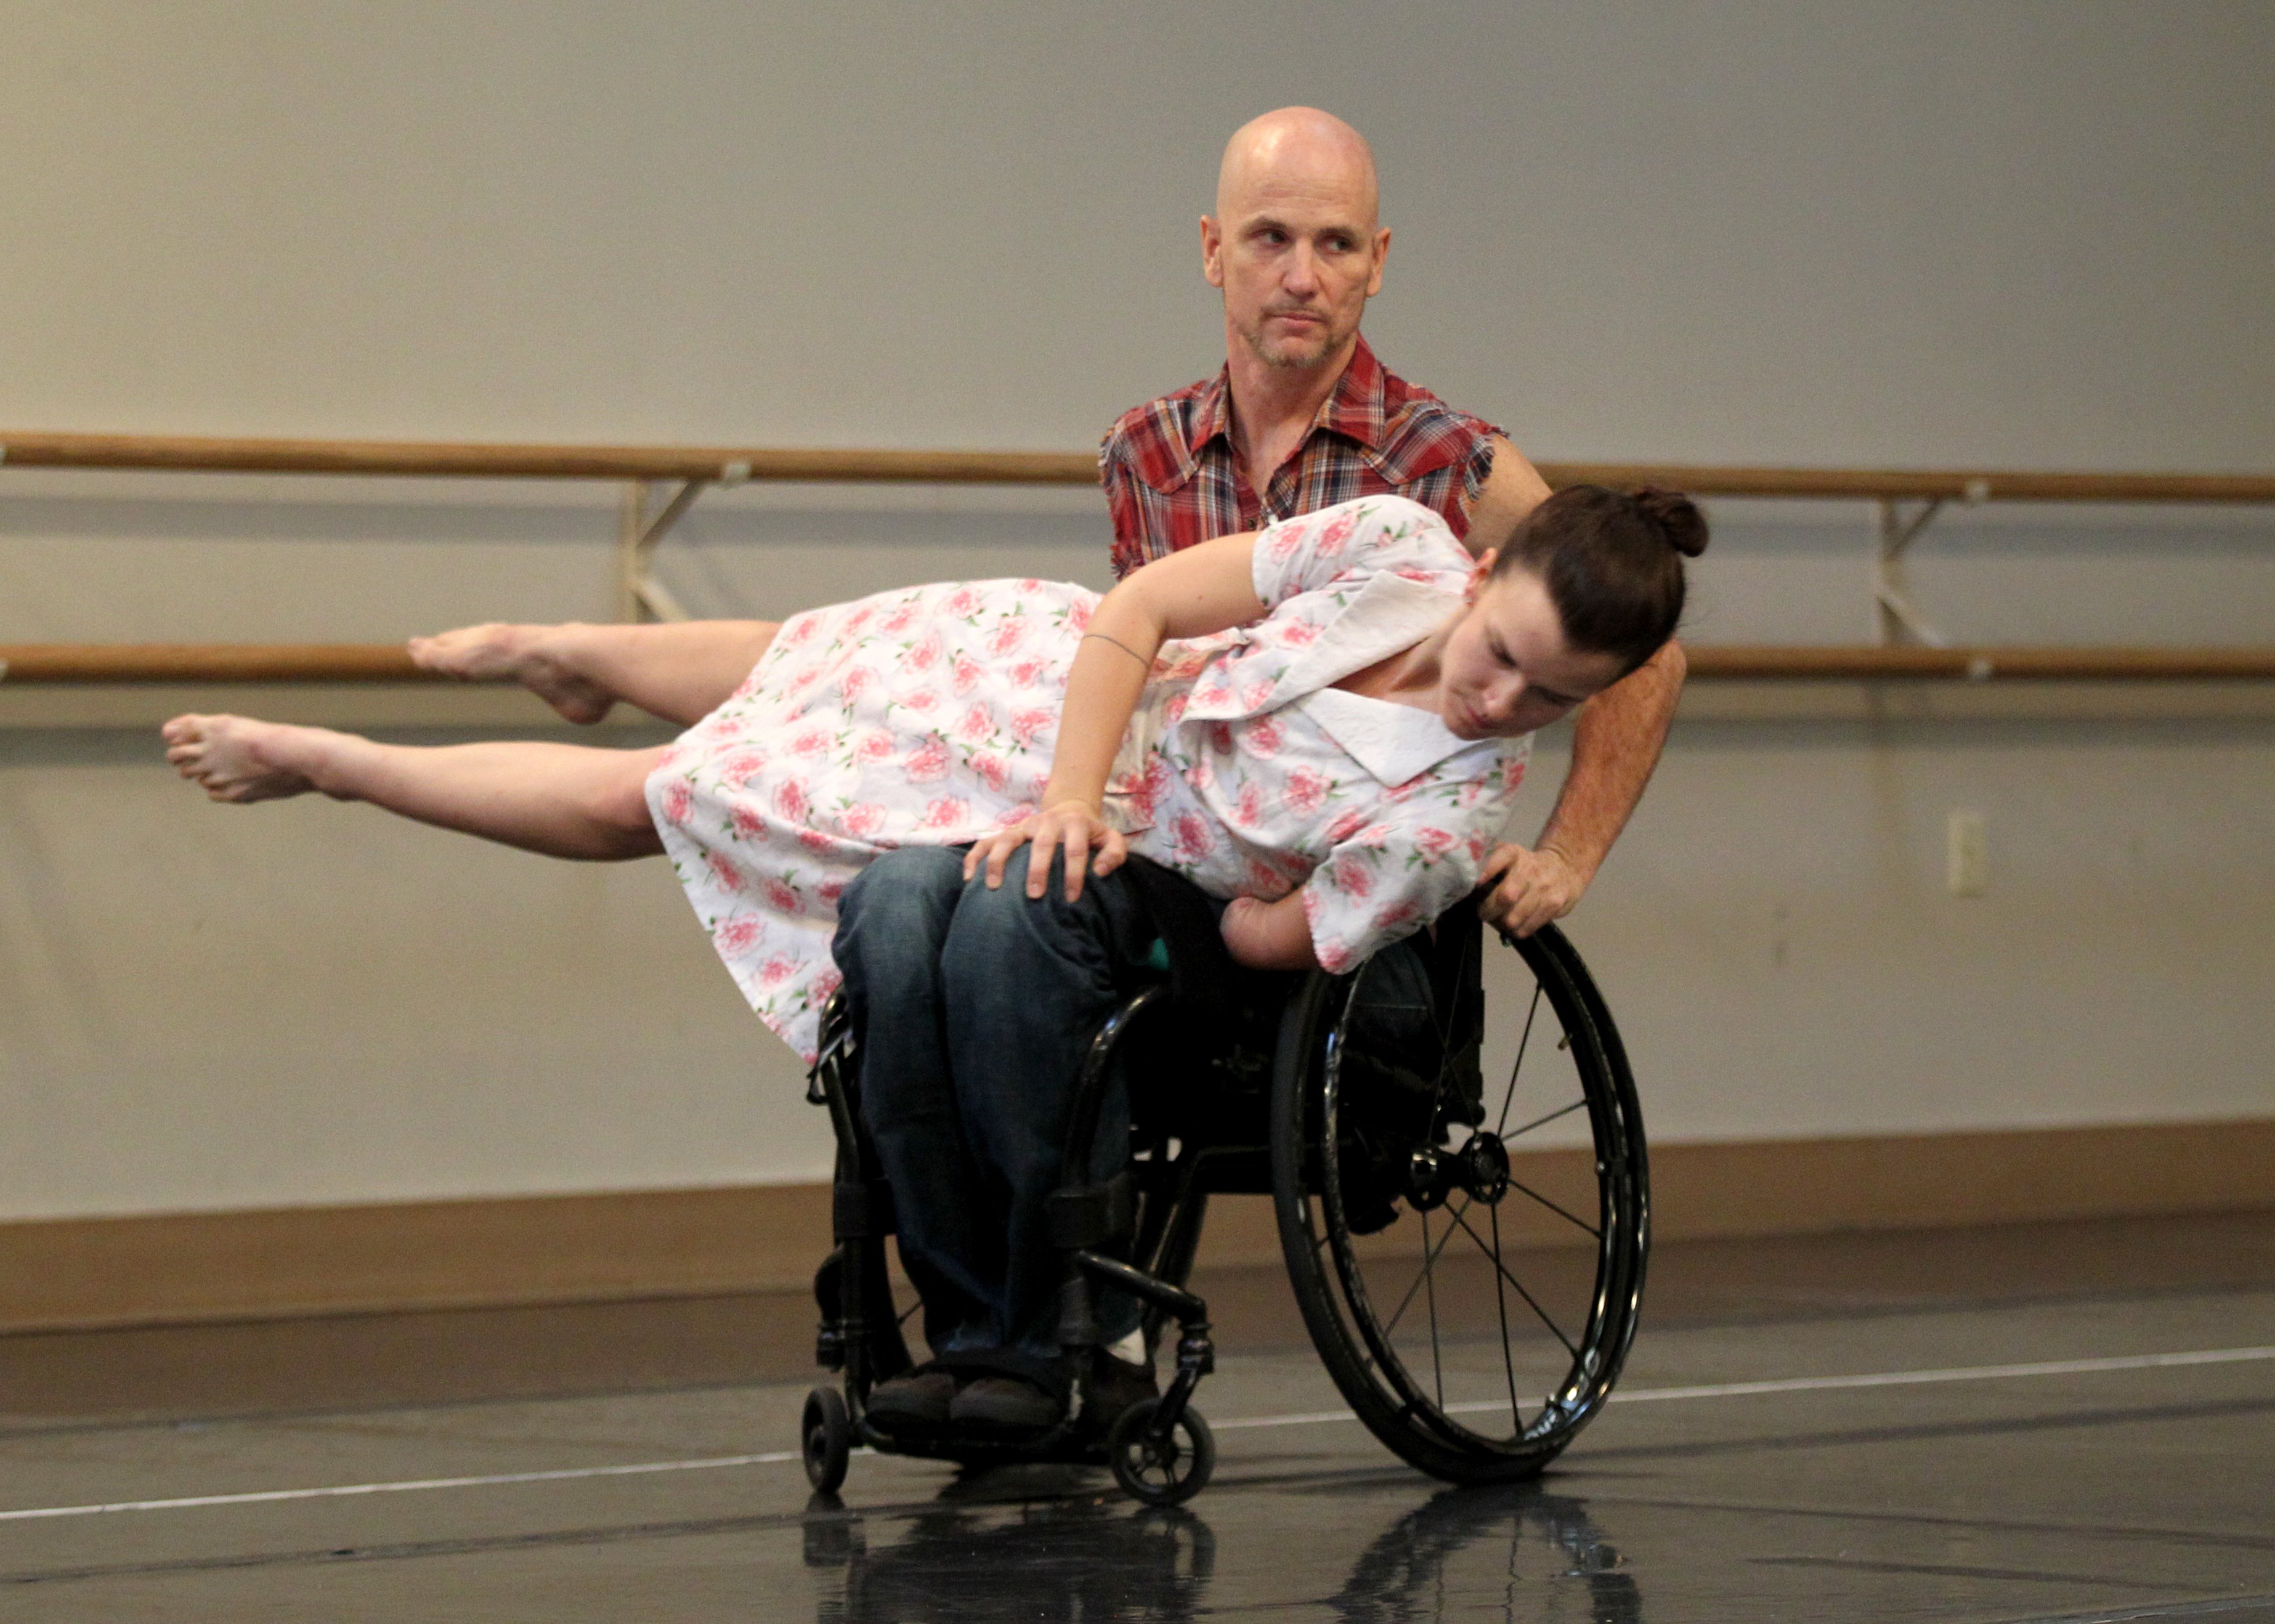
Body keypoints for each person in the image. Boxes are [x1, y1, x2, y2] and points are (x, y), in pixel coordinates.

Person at [163, 484, 1706, 1435]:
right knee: (825, 671)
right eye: (1498, 653)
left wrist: (1155, 862)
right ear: (1485, 564)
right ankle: (579, 652)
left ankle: (345, 758)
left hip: (1161, 859)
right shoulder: (1390, 547)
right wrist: (1069, 795)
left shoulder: (1449, 811)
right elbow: (1150, 604)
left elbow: (1260, 937)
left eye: (1542, 701)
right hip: (1076, 701)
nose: (1495, 700)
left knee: (690, 792)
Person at [1101, 106, 1688, 938]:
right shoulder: (1145, 451)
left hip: (1350, 899)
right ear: (1212, 250)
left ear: (1375, 263)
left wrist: (1565, 857)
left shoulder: (1451, 460)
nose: (1301, 277)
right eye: (1270, 237)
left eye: (1335, 244)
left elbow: (1643, 651)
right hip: (1174, 855)